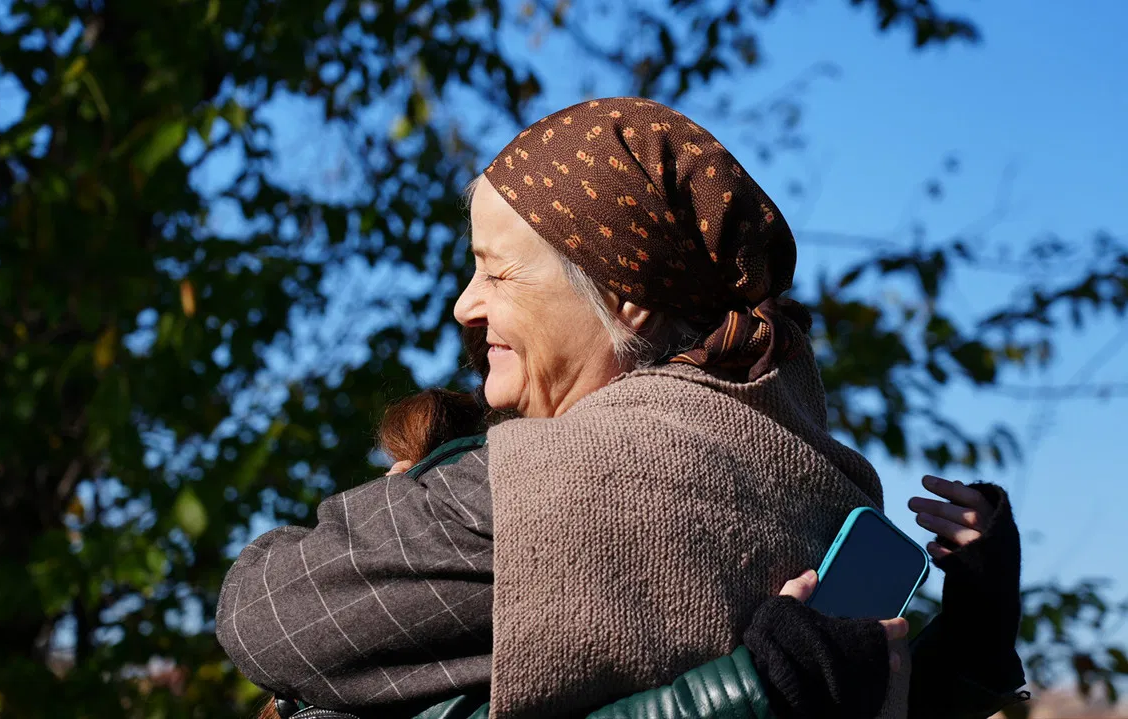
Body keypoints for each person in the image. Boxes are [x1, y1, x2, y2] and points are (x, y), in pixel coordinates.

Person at [216, 98, 1027, 719]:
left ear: (624, 295)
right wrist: (972, 645)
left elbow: (264, 615)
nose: (466, 303)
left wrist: (421, 489)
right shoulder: (817, 481)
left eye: (497, 272)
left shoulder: (540, 490)